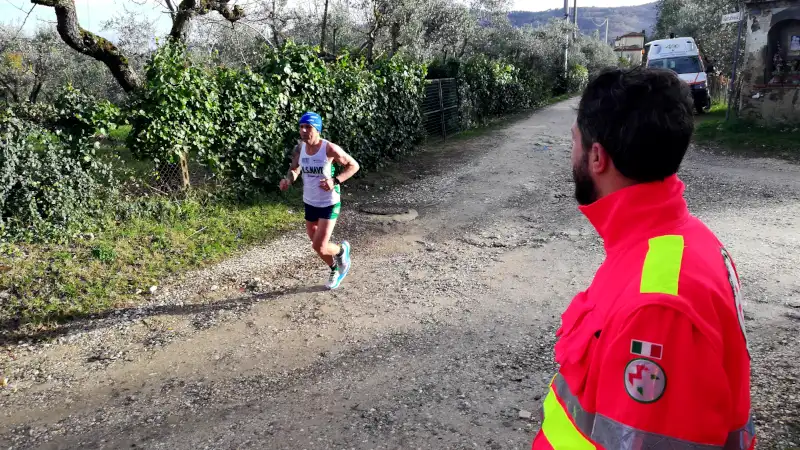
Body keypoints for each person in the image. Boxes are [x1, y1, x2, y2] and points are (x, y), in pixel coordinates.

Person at [532, 67, 755, 449]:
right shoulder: (675, 242)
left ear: (597, 157)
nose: (572, 154)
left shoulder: (657, 305)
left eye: (575, 142)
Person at [279, 112, 360, 290]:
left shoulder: (329, 148)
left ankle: (341, 252)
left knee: (320, 245)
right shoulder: (299, 148)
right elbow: (294, 169)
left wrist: (335, 181)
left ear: (317, 130)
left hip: (329, 202)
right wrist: (288, 180)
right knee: (316, 246)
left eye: (308, 127)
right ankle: (334, 268)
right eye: (301, 127)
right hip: (310, 202)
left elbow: (353, 165)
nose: (303, 130)